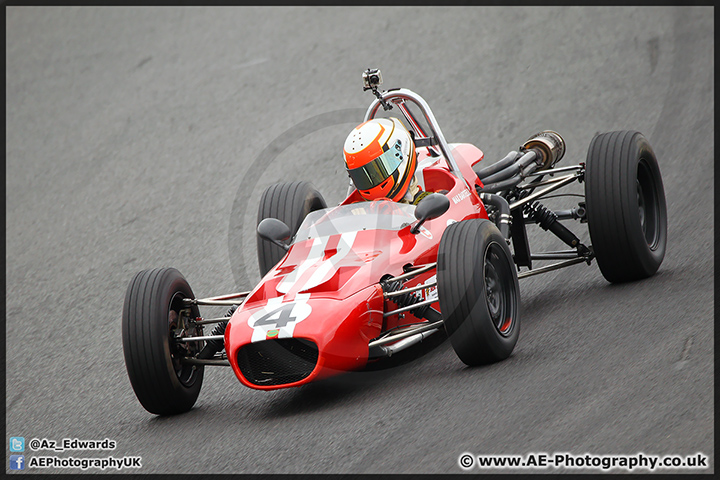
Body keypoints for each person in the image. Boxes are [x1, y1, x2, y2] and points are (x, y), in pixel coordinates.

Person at [343, 117, 431, 205]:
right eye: (361, 177)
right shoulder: (357, 212)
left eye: (378, 171)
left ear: (399, 153)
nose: (372, 179)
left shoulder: (432, 206)